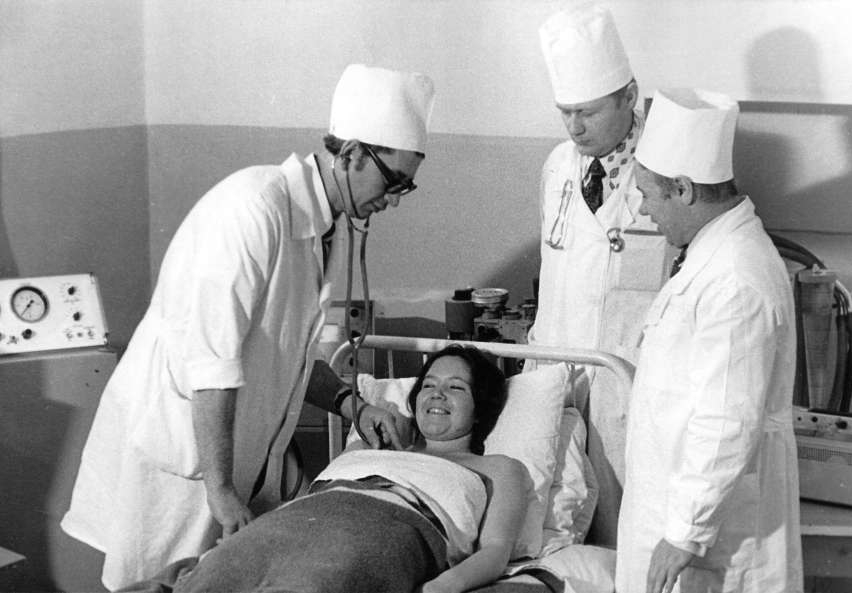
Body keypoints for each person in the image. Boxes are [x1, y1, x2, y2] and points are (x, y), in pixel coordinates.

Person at [61, 63, 436, 589]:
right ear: (352, 154)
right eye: (392, 181)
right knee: (159, 583)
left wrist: (353, 404)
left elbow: (292, 359)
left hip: (238, 460)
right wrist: (220, 490)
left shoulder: (324, 228)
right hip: (189, 460)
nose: (393, 199)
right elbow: (211, 363)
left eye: (405, 187)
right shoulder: (254, 209)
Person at [120, 345, 528, 593]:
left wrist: (442, 586)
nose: (436, 394)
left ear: (481, 408)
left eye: (455, 387)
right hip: (299, 517)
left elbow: (495, 553)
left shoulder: (496, 468)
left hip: (391, 529)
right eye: (428, 385)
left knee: (316, 583)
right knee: (212, 576)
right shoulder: (374, 445)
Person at [615, 88, 802, 593]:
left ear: (682, 188)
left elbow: (726, 418)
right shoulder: (712, 257)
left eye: (647, 194)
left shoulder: (735, 278)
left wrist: (685, 532)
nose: (643, 211)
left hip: (706, 534)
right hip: (674, 509)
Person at [531, 1, 667, 545]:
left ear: (628, 96)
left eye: (587, 111)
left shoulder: (664, 171)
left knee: (626, 536)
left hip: (630, 391)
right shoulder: (557, 167)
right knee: (557, 535)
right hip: (558, 382)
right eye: (565, 111)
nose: (574, 127)